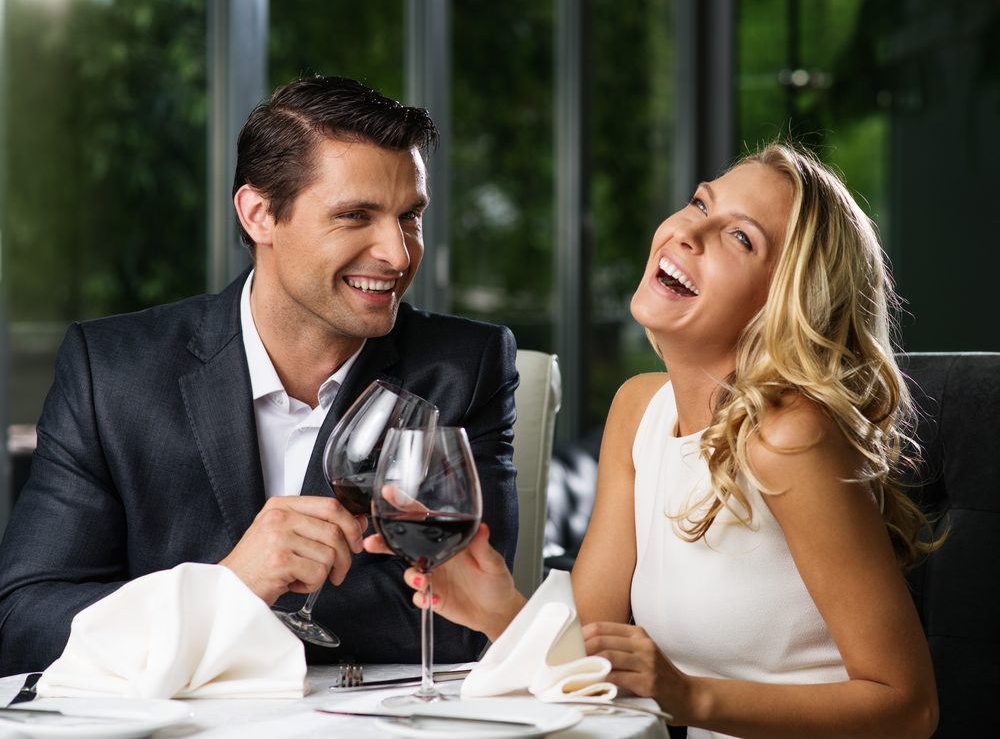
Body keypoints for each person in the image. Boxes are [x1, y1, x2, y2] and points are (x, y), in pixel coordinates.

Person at [367, 143, 940, 738]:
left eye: (741, 238)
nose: (691, 233)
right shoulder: (639, 409)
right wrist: (499, 609)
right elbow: (589, 661)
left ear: (785, 304)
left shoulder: (789, 437)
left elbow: (908, 707)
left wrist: (688, 696)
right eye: (700, 203)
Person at [0, 76, 519, 676]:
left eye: (410, 217)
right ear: (259, 214)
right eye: (356, 216)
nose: (399, 255)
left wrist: (207, 629)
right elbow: (24, 620)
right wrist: (229, 589)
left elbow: (464, 619)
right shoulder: (111, 370)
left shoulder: (467, 366)